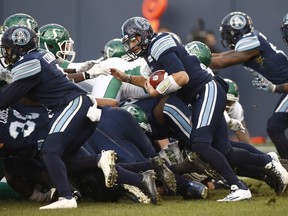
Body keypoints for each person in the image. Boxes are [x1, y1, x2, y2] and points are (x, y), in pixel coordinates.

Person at [110, 16, 288, 202]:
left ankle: (239, 187)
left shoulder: (159, 43)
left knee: (200, 144)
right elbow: (149, 83)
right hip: (201, 94)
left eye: (134, 39)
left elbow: (182, 77)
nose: (132, 44)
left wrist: (158, 91)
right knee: (224, 150)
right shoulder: (151, 52)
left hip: (206, 90)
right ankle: (269, 162)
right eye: (130, 41)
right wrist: (127, 78)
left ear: (144, 33)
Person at [0, 25, 117, 209]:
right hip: (76, 105)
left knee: (49, 150)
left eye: (8, 48)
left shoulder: (30, 62)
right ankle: (100, 161)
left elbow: (6, 99)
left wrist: (7, 80)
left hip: (73, 105)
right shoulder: (38, 56)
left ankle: (66, 197)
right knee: (55, 154)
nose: (6, 52)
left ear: (18, 46)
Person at [210, 11, 288, 159]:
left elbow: (222, 62)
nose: (226, 37)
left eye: (228, 33)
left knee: (274, 126)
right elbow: (221, 57)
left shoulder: (250, 43)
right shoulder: (252, 39)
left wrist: (192, 57)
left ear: (235, 31)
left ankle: (285, 163)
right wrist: (195, 53)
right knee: (275, 126)